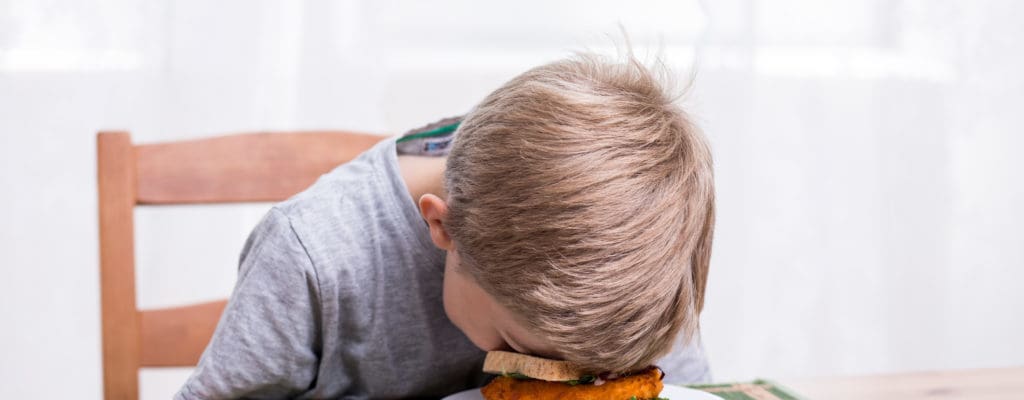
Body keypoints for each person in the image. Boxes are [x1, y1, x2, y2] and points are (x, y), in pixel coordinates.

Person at [175, 51, 715, 399]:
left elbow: (685, 386)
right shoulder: (313, 254)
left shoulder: (643, 241)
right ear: (443, 228)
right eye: (516, 344)